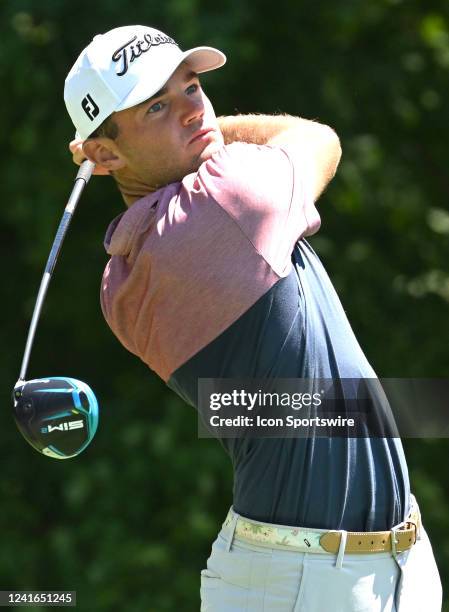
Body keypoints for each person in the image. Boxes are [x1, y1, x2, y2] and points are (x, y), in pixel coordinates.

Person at [65, 25, 442, 611]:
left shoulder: (122, 278)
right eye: (159, 106)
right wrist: (220, 132)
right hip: (308, 581)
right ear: (105, 153)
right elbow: (315, 136)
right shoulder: (227, 200)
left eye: (192, 87)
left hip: (367, 566)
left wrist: (161, 141)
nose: (194, 110)